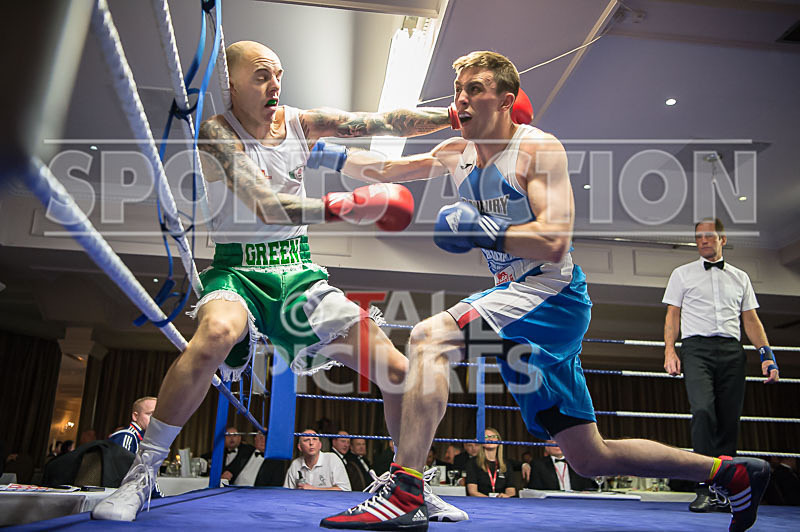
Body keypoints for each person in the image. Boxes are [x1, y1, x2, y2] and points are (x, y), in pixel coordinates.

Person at [318, 50, 772, 531]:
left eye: (475, 89)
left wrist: (485, 230)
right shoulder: (456, 152)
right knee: (589, 457)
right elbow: (389, 171)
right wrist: (327, 152)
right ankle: (731, 472)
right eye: (459, 91)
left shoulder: (538, 149)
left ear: (506, 100)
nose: (461, 100)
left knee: (430, 337)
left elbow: (555, 242)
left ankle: (406, 490)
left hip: (550, 294)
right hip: (515, 301)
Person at [92, 40, 464, 523]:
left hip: (299, 274)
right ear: (231, 83)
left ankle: (406, 484)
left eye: (279, 75)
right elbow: (266, 203)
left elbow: (383, 122)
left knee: (398, 373)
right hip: (238, 271)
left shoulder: (301, 125)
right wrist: (347, 206)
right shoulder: (216, 134)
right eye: (261, 75)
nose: (275, 85)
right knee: (216, 333)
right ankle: (141, 475)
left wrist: (454, 116)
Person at [663, 218, 780, 512]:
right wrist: (669, 351)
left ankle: (725, 490)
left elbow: (751, 320)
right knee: (703, 411)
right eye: (698, 237)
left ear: (722, 239)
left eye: (709, 236)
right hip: (696, 349)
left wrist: (767, 356)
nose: (703, 241)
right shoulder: (682, 273)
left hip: (731, 349)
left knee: (728, 420)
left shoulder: (740, 277)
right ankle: (703, 485)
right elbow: (672, 316)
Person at [284, 430, 350, 491]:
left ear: (320, 445)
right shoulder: (296, 464)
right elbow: (287, 492)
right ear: (299, 447)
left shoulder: (332, 459)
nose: (311, 443)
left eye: (314, 439)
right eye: (306, 440)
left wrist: (313, 489)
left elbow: (345, 489)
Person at [465, 428, 516, 498]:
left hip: (502, 504)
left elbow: (511, 490)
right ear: (481, 442)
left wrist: (505, 496)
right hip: (480, 503)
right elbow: (472, 491)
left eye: (493, 437)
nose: (490, 439)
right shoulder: (473, 463)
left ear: (499, 441)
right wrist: (490, 500)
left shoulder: (506, 464)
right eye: (486, 437)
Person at [526, 441, 594, 492]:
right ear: (546, 447)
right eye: (552, 442)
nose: (556, 444)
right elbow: (534, 490)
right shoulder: (538, 464)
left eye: (559, 441)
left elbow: (588, 486)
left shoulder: (578, 463)